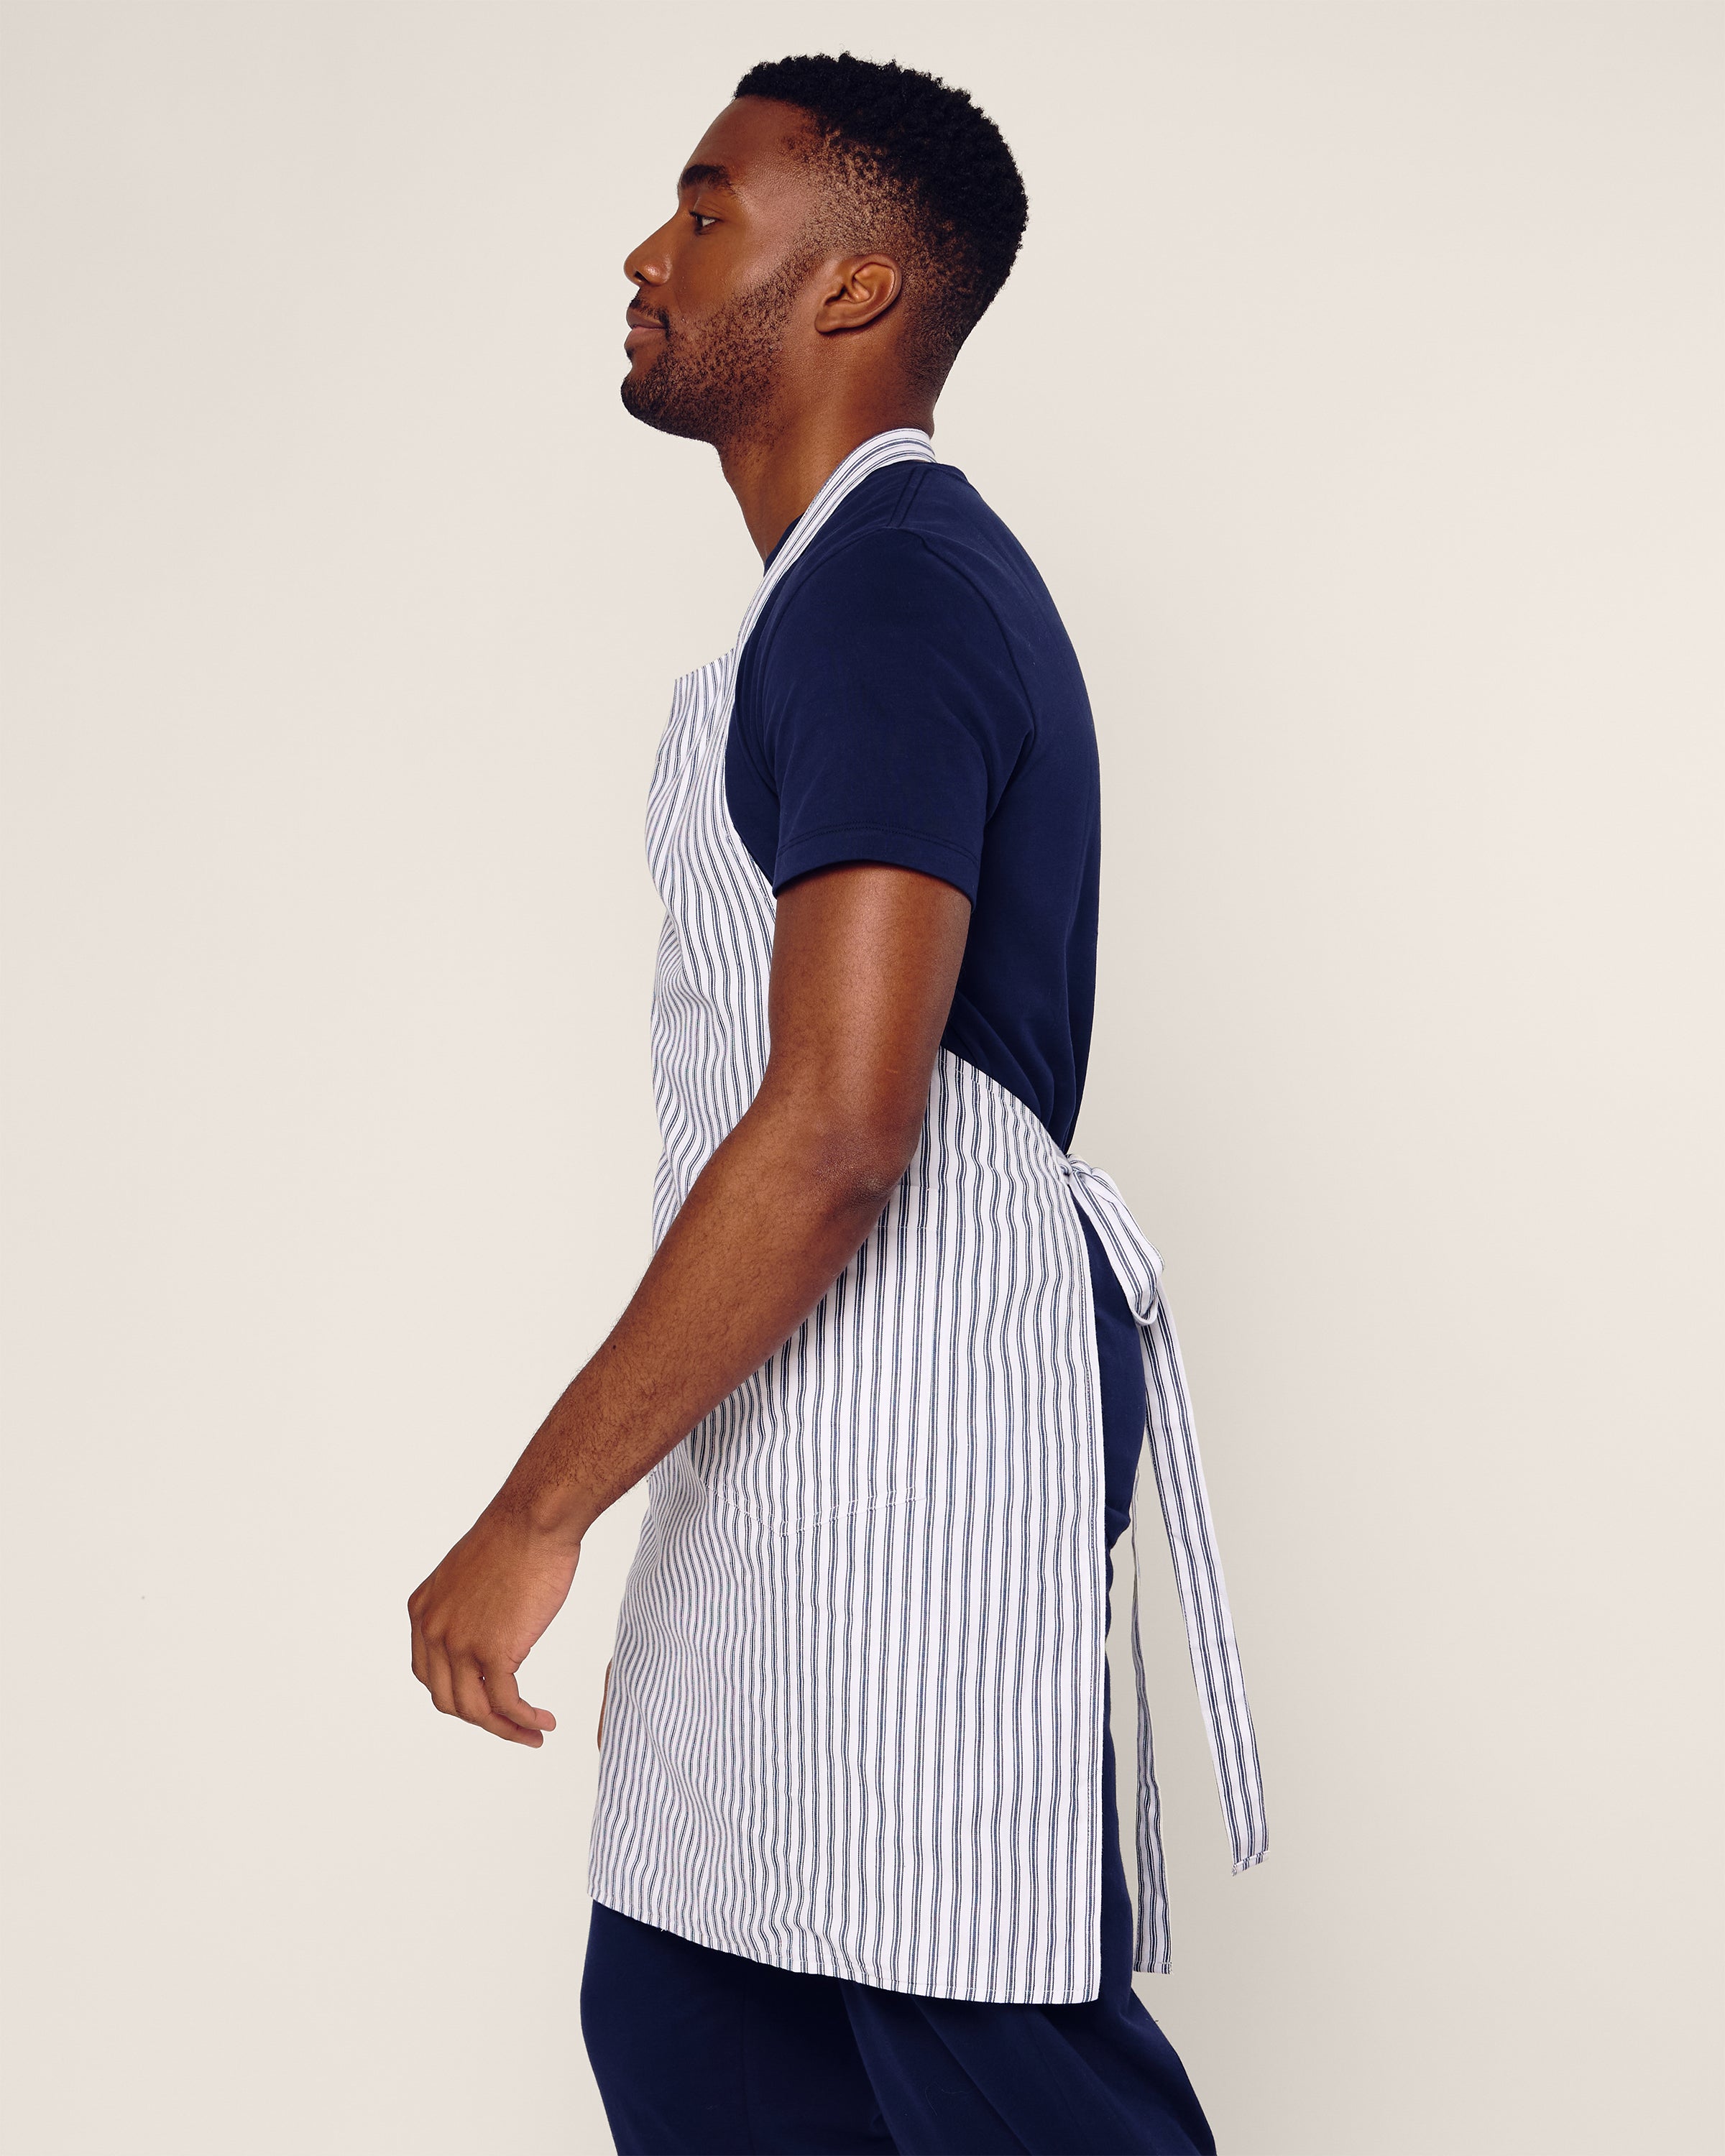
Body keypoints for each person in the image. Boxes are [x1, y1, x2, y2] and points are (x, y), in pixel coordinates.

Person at [408, 51, 1265, 2155]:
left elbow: (838, 1122)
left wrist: (534, 1515)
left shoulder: (893, 590)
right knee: (696, 2014)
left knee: (979, 2055)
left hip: (921, 1443)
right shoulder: (829, 610)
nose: (647, 249)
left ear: (859, 289)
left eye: (706, 211)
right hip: (793, 1433)